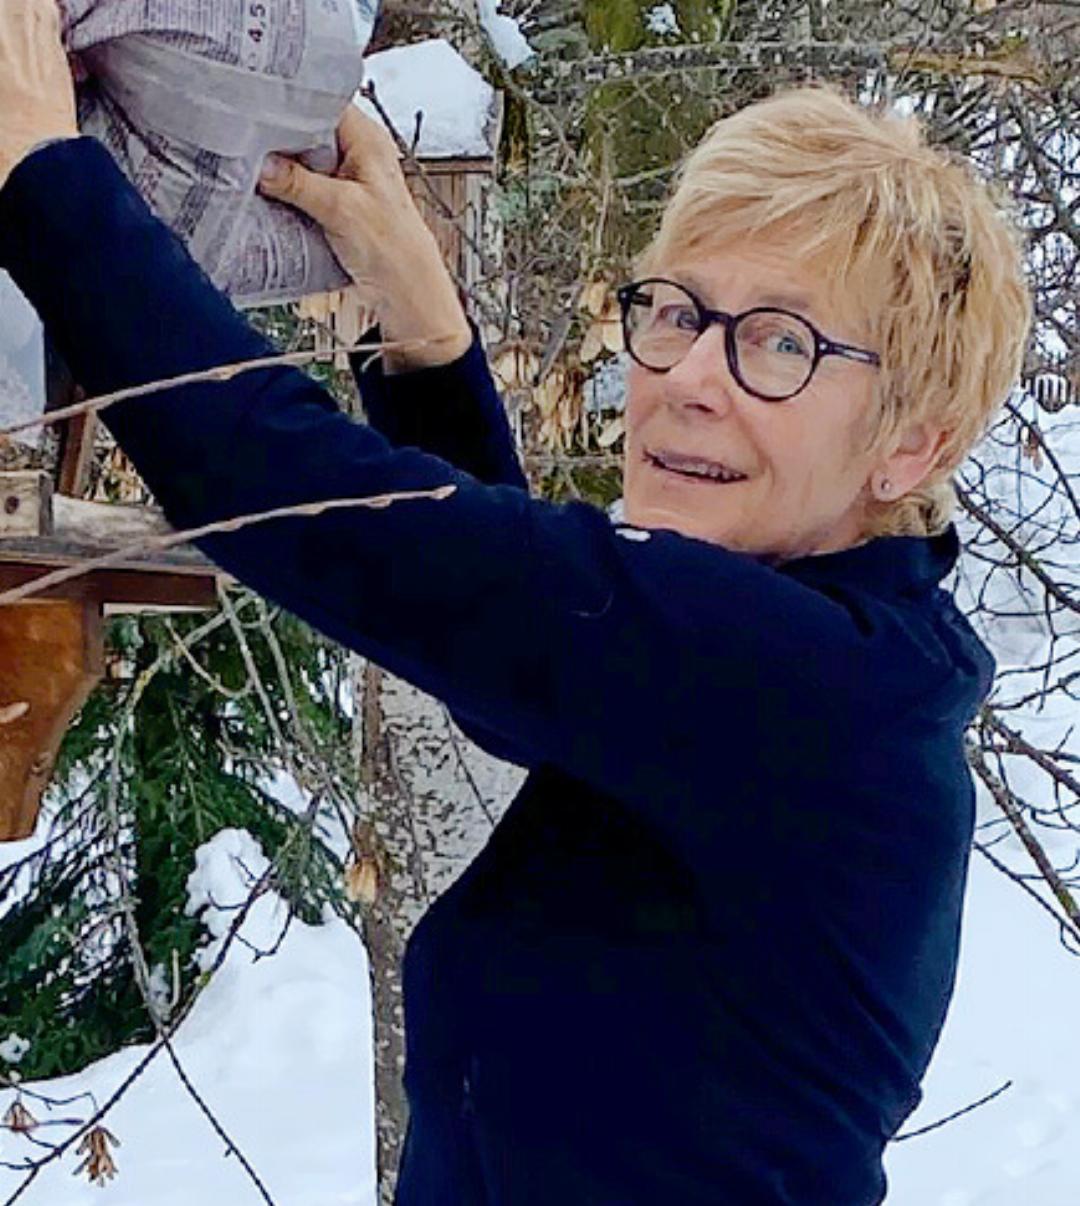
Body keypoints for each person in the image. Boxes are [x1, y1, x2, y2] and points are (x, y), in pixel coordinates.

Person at [0, 2, 1032, 1202]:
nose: (690, 381)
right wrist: (426, 341)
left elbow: (301, 504)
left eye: (779, 345)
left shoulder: (807, 688)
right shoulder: (831, 670)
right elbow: (521, 665)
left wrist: (44, 169)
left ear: (912, 444)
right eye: (680, 314)